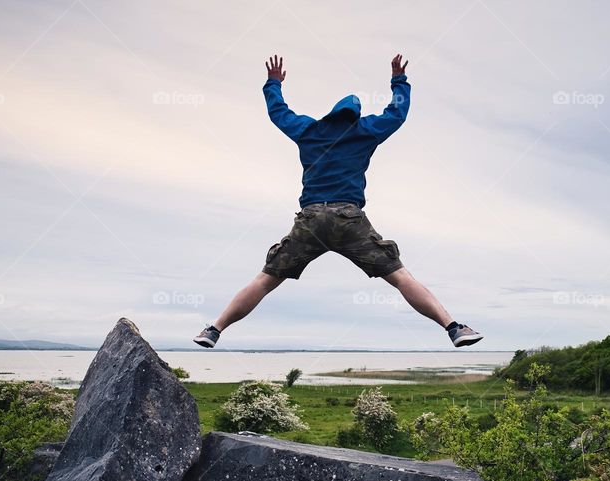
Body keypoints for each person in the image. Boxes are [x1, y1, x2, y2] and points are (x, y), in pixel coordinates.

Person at [194, 54, 483, 348]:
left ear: (332, 113)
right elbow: (396, 114)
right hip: (349, 219)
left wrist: (273, 84)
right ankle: (453, 328)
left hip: (311, 220)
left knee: (265, 281)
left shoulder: (308, 130)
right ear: (354, 115)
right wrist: (399, 81)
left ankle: (214, 329)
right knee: (400, 278)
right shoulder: (365, 130)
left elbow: (279, 113)